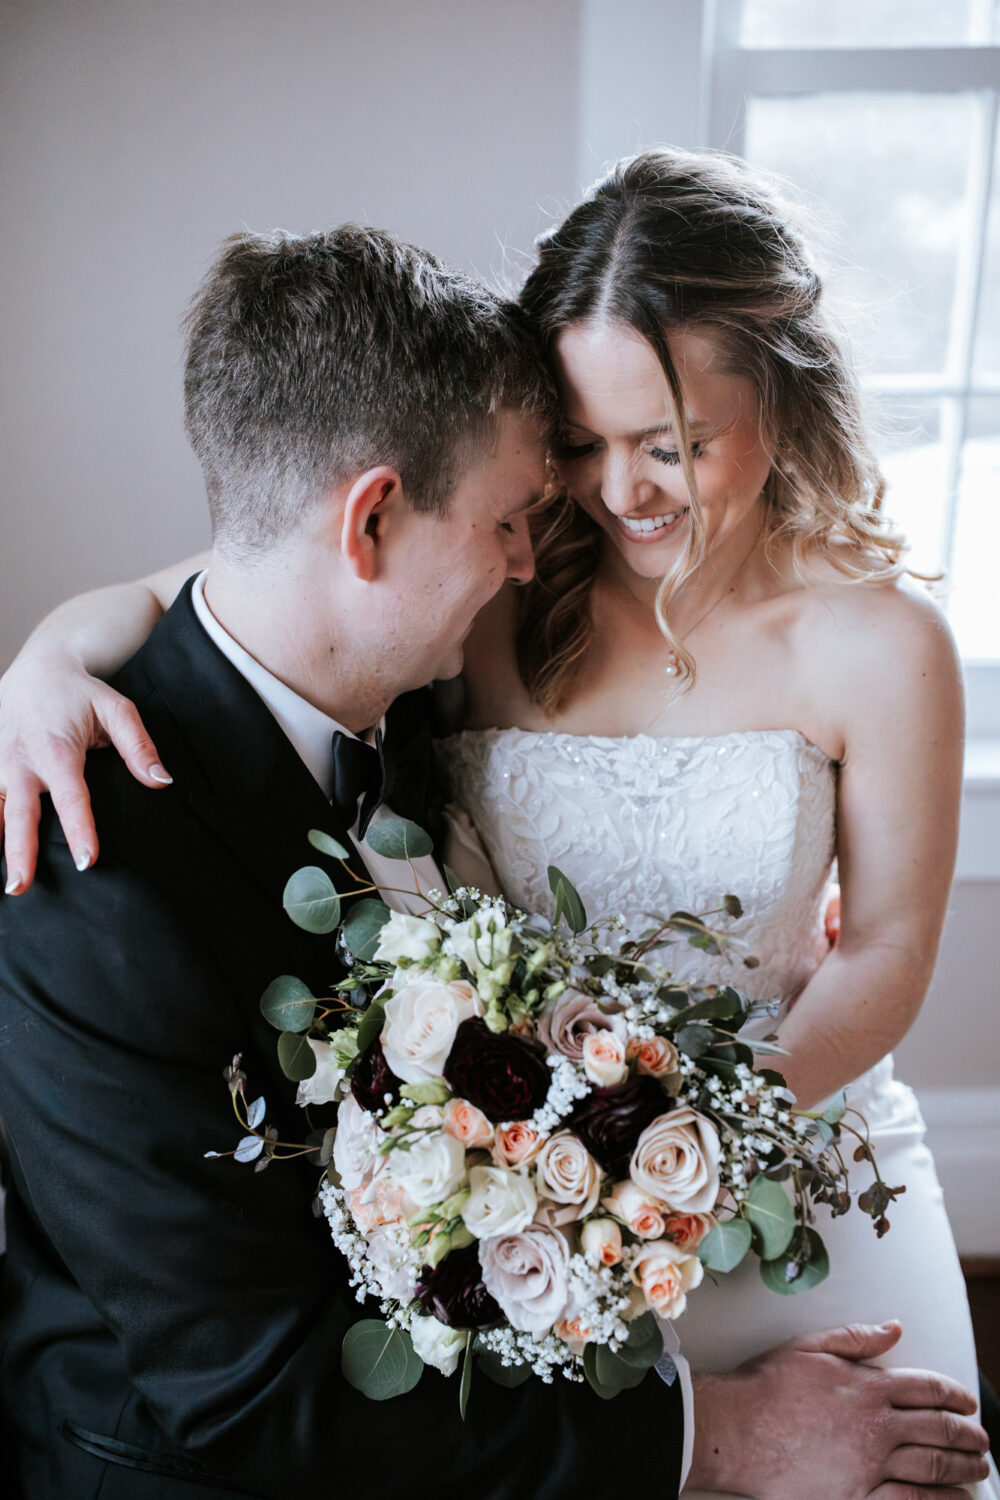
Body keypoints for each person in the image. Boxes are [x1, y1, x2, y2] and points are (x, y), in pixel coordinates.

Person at [0, 212, 992, 1500]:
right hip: (518, 1199)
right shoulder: (485, 598)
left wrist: (691, 1138)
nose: (621, 491)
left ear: (787, 406)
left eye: (676, 445)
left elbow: (893, 949)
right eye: (579, 447)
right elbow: (224, 573)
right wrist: (40, 668)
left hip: (774, 1143)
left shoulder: (880, 642)